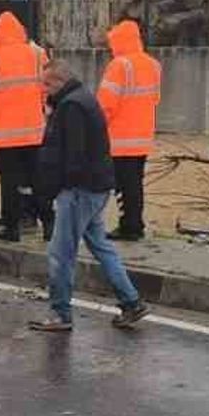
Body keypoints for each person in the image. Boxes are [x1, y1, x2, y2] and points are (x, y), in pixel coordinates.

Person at [29, 59, 149, 333]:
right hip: (95, 187)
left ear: (60, 81)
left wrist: (59, 187)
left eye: (46, 84)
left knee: (61, 253)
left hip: (79, 190)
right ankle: (131, 301)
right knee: (100, 245)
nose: (43, 89)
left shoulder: (71, 106)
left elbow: (73, 154)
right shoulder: (80, 99)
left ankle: (60, 313)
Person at [0, 11, 49, 241]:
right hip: (34, 132)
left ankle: (12, 228)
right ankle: (48, 224)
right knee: (38, 179)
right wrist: (40, 108)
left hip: (5, 135)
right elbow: (49, 87)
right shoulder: (37, 54)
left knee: (9, 181)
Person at [98, 19, 162, 241]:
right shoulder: (153, 65)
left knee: (123, 185)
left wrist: (97, 126)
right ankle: (135, 223)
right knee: (134, 183)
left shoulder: (119, 65)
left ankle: (129, 226)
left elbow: (106, 104)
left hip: (120, 138)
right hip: (142, 136)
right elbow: (155, 98)